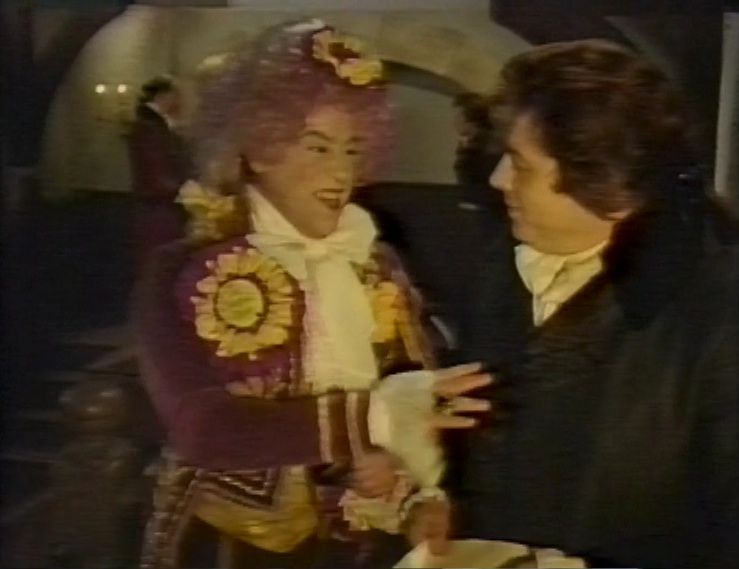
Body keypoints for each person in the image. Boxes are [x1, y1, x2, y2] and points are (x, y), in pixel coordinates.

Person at [133, 19, 488, 569]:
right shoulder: (180, 269)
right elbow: (205, 430)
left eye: (352, 151)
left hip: (356, 547)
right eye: (318, 148)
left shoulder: (375, 260)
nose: (341, 173)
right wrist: (368, 424)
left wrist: (414, 495)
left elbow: (414, 391)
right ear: (258, 148)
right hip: (227, 547)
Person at [411, 39, 739, 568]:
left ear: (607, 189)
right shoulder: (496, 263)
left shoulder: (715, 311)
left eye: (521, 166)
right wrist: (435, 495)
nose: (498, 180)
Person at [128, 75, 191, 271]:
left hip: (162, 203)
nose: (179, 101)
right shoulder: (149, 127)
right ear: (164, 95)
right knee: (159, 260)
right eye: (176, 95)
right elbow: (156, 173)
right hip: (159, 206)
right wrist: (186, 191)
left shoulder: (155, 125)